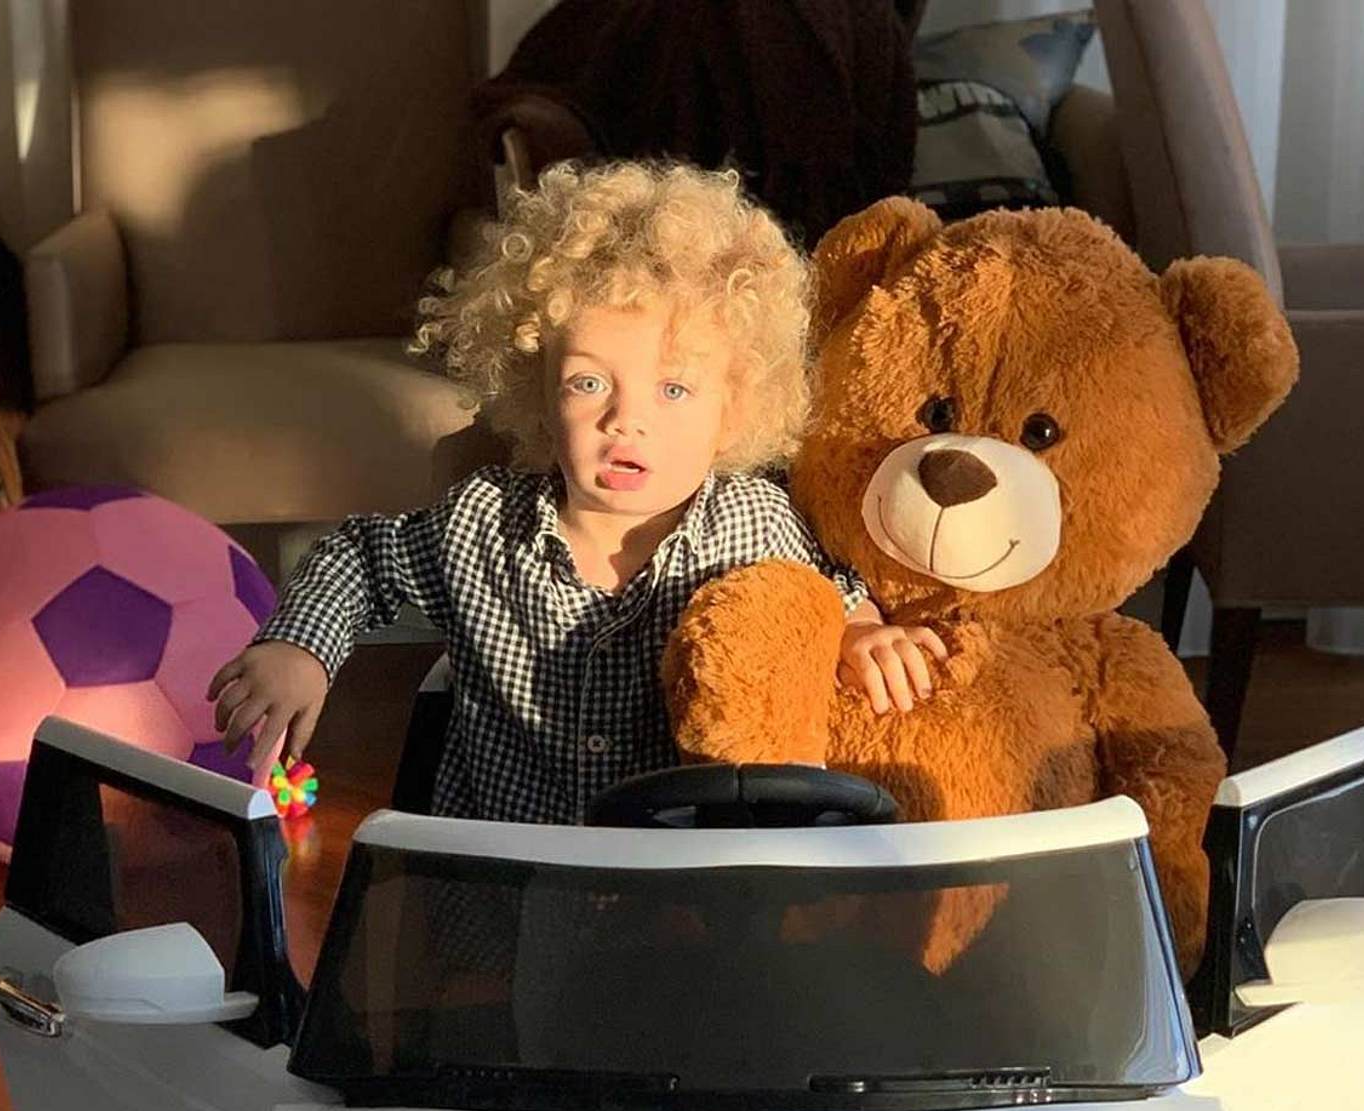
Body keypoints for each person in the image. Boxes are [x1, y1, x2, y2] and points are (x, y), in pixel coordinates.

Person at [207, 160, 942, 824]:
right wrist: (299, 648)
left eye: (674, 389)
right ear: (537, 392)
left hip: (674, 888)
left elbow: (824, 591)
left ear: (736, 409)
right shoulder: (480, 525)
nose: (626, 420)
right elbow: (357, 558)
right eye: (588, 383)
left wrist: (858, 631)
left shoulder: (754, 522)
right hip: (503, 884)